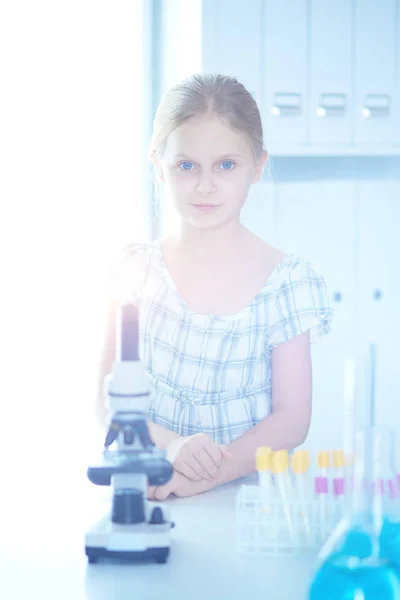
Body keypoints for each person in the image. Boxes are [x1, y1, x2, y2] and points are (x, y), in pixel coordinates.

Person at [96, 73, 334, 500]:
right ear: (159, 166)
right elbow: (106, 397)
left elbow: (292, 418)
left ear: (258, 166)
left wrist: (201, 476)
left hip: (253, 508)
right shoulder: (135, 271)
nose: (205, 185)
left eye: (226, 164)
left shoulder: (289, 284)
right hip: (150, 496)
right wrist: (172, 446)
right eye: (187, 165)